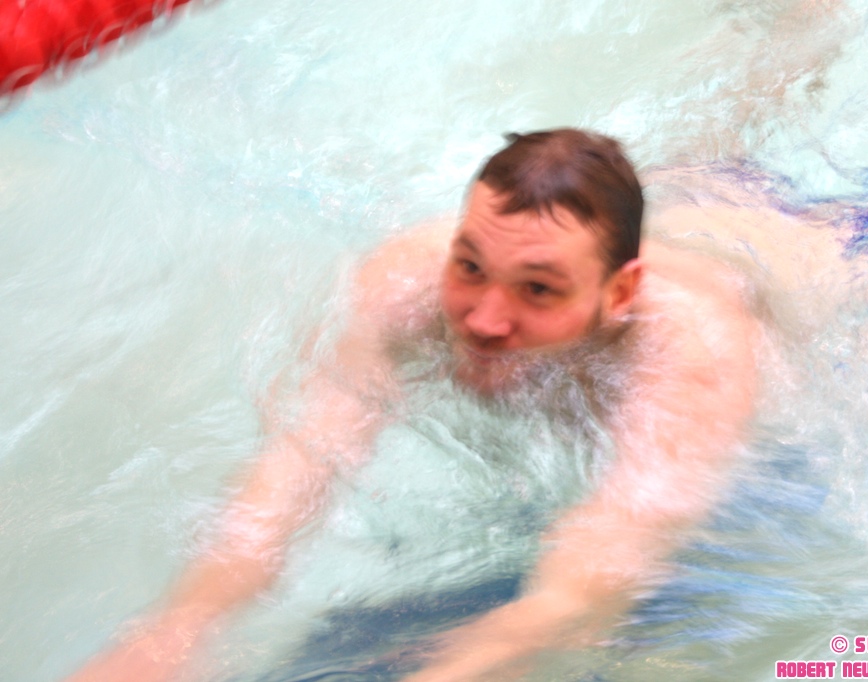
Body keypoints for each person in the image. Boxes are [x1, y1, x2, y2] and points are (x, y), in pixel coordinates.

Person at [68, 128, 764, 682]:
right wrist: (177, 629)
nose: (483, 320)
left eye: (538, 289)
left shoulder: (691, 357)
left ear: (620, 294)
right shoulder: (406, 284)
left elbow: (590, 586)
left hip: (804, 297)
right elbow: (299, 465)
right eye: (470, 267)